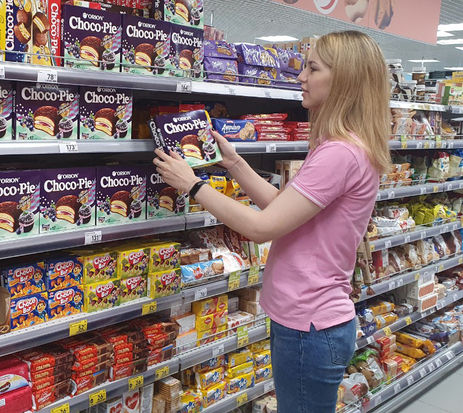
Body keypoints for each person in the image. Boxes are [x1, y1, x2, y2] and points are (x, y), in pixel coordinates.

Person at [153, 30, 390, 412]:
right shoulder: (342, 147)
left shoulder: (339, 154)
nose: (301, 77)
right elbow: (284, 209)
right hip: (311, 322)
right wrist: (235, 164)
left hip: (311, 326)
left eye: (312, 68)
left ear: (344, 79)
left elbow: (261, 227)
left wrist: (192, 185)